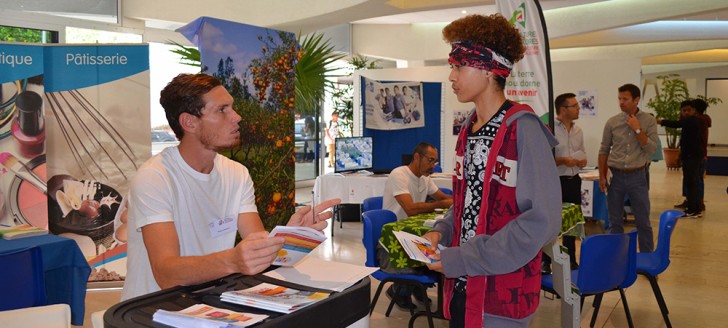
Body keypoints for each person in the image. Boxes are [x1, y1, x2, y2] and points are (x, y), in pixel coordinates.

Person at [121, 74, 340, 301]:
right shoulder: (155, 178)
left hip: (209, 302)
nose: (237, 117)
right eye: (222, 110)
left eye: (232, 108)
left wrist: (289, 237)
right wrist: (232, 260)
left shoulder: (237, 173)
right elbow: (166, 274)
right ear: (189, 122)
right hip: (152, 310)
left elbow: (255, 243)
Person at [421, 14, 562, 327]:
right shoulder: (469, 130)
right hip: (462, 286)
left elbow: (543, 221)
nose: (451, 75)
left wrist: (465, 258)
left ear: (486, 68)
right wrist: (441, 231)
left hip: (501, 296)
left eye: (458, 66)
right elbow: (468, 202)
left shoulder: (523, 131)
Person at [598, 83, 657, 252]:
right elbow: (603, 150)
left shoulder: (648, 121)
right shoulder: (612, 122)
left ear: (636, 100)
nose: (621, 102)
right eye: (619, 99)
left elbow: (651, 149)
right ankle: (616, 256)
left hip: (637, 176)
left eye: (625, 99)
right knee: (614, 221)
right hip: (614, 177)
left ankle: (647, 258)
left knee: (643, 221)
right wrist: (602, 176)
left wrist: (638, 129)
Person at [542, 93, 586, 274]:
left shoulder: (578, 131)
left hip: (573, 180)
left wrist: (581, 161)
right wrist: (562, 160)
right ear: (563, 109)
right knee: (551, 221)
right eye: (574, 106)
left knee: (572, 223)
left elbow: (582, 152)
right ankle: (545, 261)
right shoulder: (550, 129)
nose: (578, 109)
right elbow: (543, 158)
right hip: (555, 181)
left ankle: (571, 260)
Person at [657, 100, 706, 217]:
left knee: (691, 182)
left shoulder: (692, 121)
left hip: (693, 157)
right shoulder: (690, 121)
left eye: (689, 110)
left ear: (694, 110)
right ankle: (693, 208)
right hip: (690, 156)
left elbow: (675, 124)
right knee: (691, 182)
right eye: (684, 110)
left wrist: (660, 121)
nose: (686, 112)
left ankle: (693, 210)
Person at [382, 142, 453, 220]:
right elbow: (410, 210)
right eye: (430, 160)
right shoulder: (399, 174)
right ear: (417, 157)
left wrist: (460, 200)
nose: (433, 166)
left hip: (412, 223)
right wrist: (442, 204)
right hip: (394, 226)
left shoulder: (425, 178)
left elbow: (443, 198)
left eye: (435, 162)